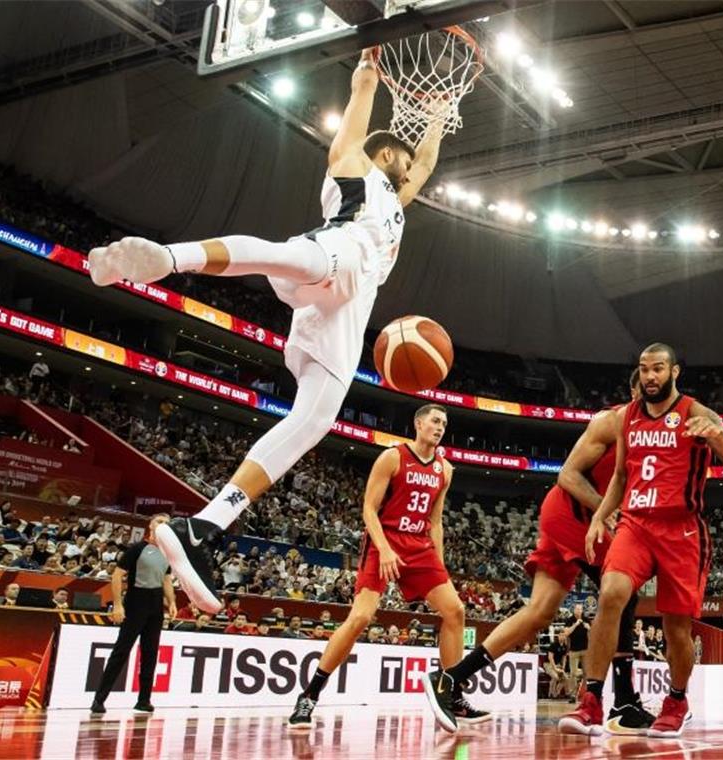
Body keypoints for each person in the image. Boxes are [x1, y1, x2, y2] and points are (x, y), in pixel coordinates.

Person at [87, 49, 448, 616]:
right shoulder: (358, 169)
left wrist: (438, 116)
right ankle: (168, 257)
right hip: (339, 250)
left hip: (346, 314)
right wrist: (367, 75)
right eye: (401, 159)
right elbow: (358, 121)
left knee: (313, 421)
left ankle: (203, 527)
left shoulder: (400, 203)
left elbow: (424, 165)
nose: (410, 170)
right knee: (282, 257)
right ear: (385, 155)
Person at [430, 372, 654, 735]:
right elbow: (567, 474)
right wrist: (605, 511)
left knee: (539, 613)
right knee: (622, 592)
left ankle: (451, 680)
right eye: (643, 386)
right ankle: (623, 701)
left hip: (578, 517)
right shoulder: (610, 422)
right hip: (573, 514)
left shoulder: (653, 437)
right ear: (632, 391)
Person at [571, 343, 723, 738]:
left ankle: (677, 700)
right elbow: (620, 477)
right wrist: (599, 517)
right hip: (635, 524)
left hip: (682, 529)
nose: (650, 376)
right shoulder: (627, 416)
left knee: (676, 628)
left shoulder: (696, 412)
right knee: (610, 594)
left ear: (674, 372)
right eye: (644, 369)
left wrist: (717, 436)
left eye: (658, 369)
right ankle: (592, 700)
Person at [289, 405, 484, 732]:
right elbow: (368, 509)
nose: (440, 428)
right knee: (361, 618)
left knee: (455, 611)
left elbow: (435, 521)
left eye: (444, 424)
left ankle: (451, 694)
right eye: (435, 421)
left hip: (420, 546)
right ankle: (310, 694)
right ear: (418, 423)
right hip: (385, 540)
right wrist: (384, 549)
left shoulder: (445, 469)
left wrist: (440, 562)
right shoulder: (392, 457)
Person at [89, 515, 177, 715]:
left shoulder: (168, 553)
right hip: (136, 602)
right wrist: (118, 605)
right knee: (121, 651)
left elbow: (166, 579)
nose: (164, 525)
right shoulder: (137, 549)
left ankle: (144, 700)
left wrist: (171, 602)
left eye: (167, 523)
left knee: (151, 653)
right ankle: (99, 699)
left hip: (156, 606)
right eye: (160, 522)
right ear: (151, 525)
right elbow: (117, 575)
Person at [544, 630, 571, 699]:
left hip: (558, 665)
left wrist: (563, 667)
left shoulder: (565, 646)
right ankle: (552, 694)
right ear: (558, 636)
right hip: (548, 664)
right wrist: (555, 668)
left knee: (566, 678)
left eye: (564, 635)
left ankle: (559, 692)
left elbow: (564, 658)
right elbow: (550, 658)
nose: (562, 637)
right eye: (561, 635)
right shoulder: (553, 645)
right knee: (555, 677)